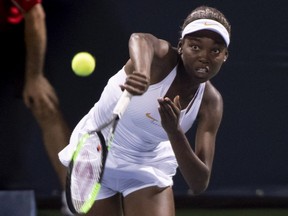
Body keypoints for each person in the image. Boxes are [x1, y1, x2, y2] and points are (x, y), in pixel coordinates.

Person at [59, 5, 231, 216]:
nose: (205, 56)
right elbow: (141, 38)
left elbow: (199, 183)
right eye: (195, 47)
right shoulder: (161, 60)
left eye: (215, 50)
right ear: (180, 46)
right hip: (96, 155)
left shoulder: (211, 103)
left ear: (224, 56)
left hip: (147, 167)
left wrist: (174, 132)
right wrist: (142, 72)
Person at [0, 0, 72, 215]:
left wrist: (34, 76)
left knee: (44, 104)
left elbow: (35, 14)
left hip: (22, 34)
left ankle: (74, 197)